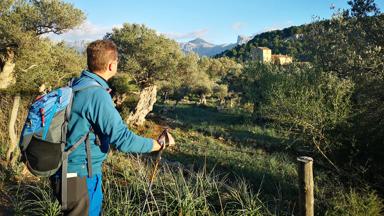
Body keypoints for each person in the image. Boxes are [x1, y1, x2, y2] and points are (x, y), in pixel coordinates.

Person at [50, 39, 175, 216]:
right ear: (111, 65)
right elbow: (123, 140)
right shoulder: (96, 95)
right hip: (80, 177)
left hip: (65, 173)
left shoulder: (76, 85)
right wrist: (157, 144)